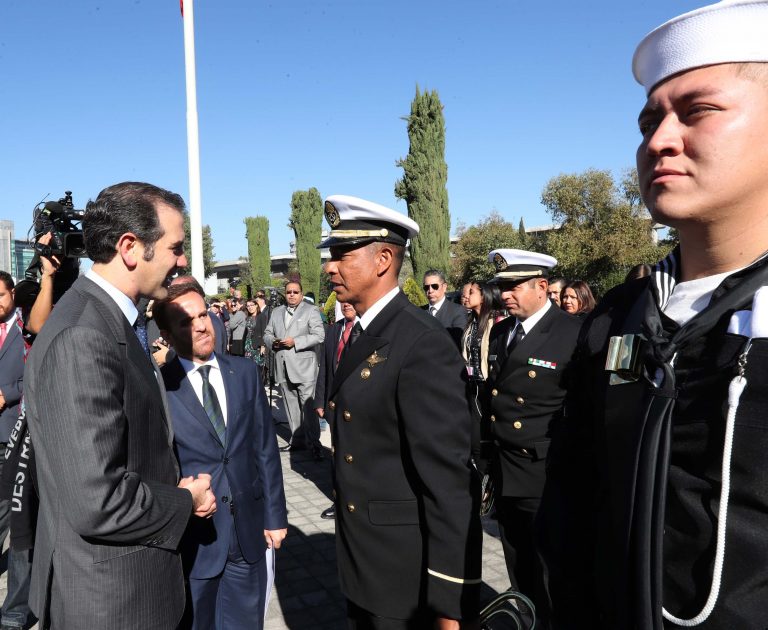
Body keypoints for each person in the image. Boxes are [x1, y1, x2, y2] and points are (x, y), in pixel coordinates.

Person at [539, 2, 768, 628]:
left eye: (698, 110)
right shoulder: (620, 317)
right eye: (649, 122)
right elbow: (573, 506)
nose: (659, 140)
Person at [25, 182, 216, 629]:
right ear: (131, 248)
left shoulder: (109, 321)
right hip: (113, 603)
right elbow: (97, 499)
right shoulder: (83, 336)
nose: (183, 261)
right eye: (176, 247)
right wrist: (183, 500)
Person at [319, 194, 481, 629]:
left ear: (383, 259)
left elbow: (448, 483)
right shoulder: (362, 332)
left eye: (341, 254)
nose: (329, 267)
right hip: (365, 563)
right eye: (328, 256)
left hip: (404, 578)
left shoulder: (420, 342)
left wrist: (450, 603)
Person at [155, 280, 287, 630]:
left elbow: (265, 448)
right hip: (197, 541)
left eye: (203, 314)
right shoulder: (160, 387)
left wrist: (275, 515)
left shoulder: (243, 372)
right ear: (166, 333)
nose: (201, 325)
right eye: (187, 321)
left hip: (248, 531)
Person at [484, 249, 581, 627]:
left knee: (552, 571)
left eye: (513, 286)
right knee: (518, 563)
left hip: (545, 473)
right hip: (506, 469)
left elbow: (583, 410)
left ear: (542, 286)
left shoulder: (572, 332)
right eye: (501, 287)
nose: (505, 294)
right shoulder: (505, 330)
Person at [0, 271, 34, 630]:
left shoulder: (28, 331)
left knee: (20, 521)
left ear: (12, 294)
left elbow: (35, 375)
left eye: (0, 295)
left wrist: (8, 393)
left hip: (16, 436)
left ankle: (16, 608)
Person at [263, 281, 325, 458]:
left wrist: (296, 342)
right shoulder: (276, 312)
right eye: (288, 292)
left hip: (304, 367)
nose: (291, 294)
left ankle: (314, 444)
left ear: (301, 293)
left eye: (295, 292)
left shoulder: (310, 310)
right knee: (290, 406)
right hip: (282, 366)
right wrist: (272, 342)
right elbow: (267, 333)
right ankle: (297, 440)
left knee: (308, 408)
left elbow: (319, 335)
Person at [314, 301, 358, 520]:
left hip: (358, 406)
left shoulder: (368, 329)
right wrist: (320, 400)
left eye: (350, 302)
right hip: (334, 404)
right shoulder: (334, 329)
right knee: (336, 454)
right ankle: (338, 499)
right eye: (343, 303)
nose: (346, 305)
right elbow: (324, 366)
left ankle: (356, 500)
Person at [460, 281, 496, 472]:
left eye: (471, 292)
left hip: (487, 385)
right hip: (471, 386)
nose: (466, 296)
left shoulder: (493, 322)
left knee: (486, 434)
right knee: (474, 435)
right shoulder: (470, 323)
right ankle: (479, 474)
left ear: (483, 296)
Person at [422, 269, 469, 345]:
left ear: (444, 287)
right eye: (426, 287)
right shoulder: (418, 311)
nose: (430, 291)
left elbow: (457, 342)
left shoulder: (458, 311)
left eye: (434, 286)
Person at [243, 298, 267, 366]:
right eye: (248, 306)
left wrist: (263, 346)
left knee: (257, 366)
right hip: (248, 345)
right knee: (248, 366)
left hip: (257, 346)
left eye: (251, 305)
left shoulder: (261, 316)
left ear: (256, 305)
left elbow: (264, 332)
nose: (250, 307)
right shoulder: (248, 317)